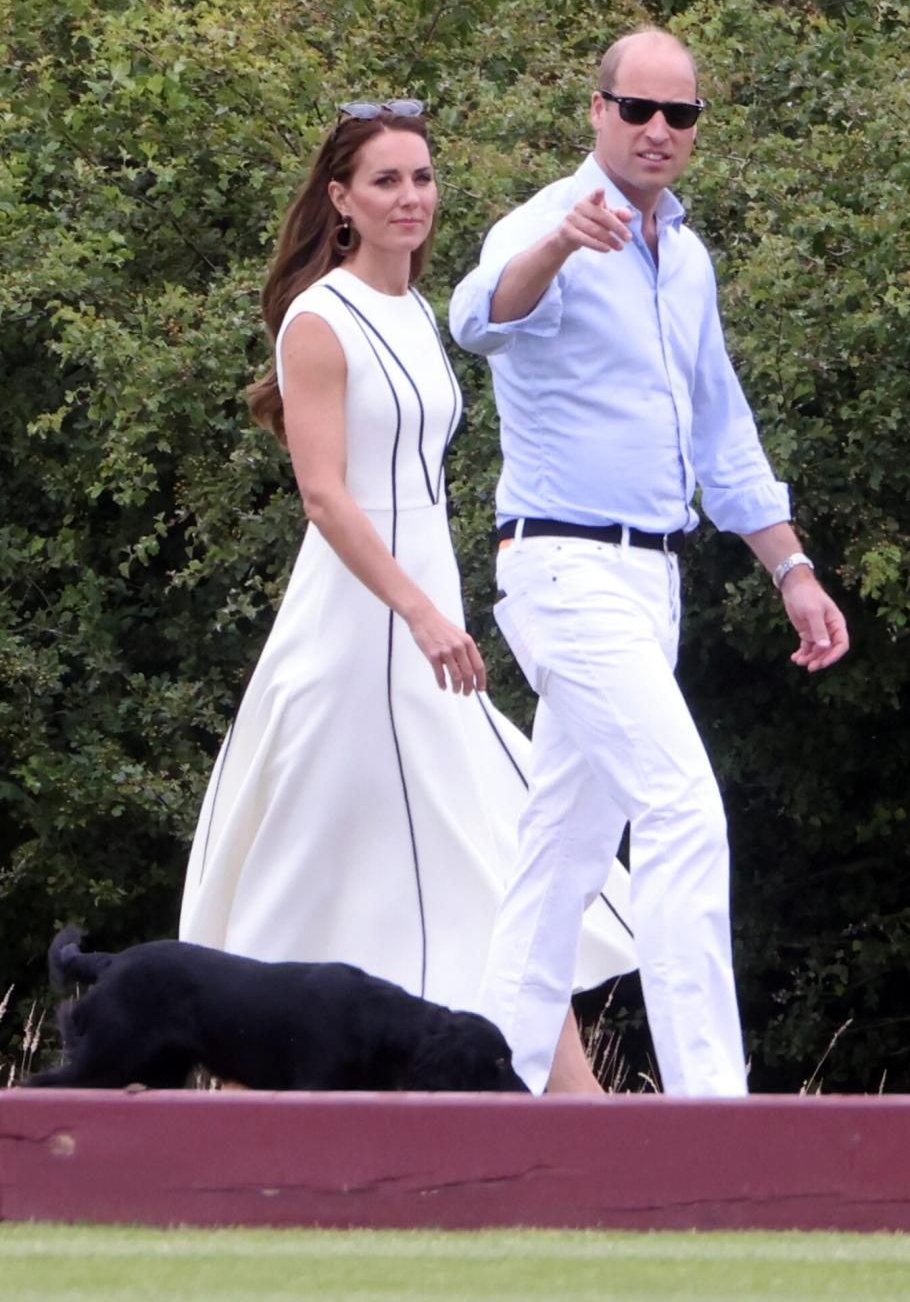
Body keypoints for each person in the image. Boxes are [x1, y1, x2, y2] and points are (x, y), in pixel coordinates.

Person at [178, 100, 636, 1092]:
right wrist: (420, 609)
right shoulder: (318, 318)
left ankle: (587, 1119)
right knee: (325, 866)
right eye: (386, 180)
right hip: (360, 635)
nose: (411, 197)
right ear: (340, 199)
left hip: (428, 631)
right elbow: (324, 493)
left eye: (422, 177)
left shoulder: (418, 311)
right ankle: (246, 1113)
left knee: (501, 849)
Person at [449, 29, 850, 1098]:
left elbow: (723, 432)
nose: (660, 131)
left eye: (682, 116)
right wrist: (561, 250)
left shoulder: (688, 257)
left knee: (564, 851)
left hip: (651, 578)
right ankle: (711, 1106)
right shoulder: (548, 224)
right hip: (563, 570)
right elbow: (477, 315)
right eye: (638, 110)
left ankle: (488, 1090)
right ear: (596, 110)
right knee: (681, 806)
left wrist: (791, 568)